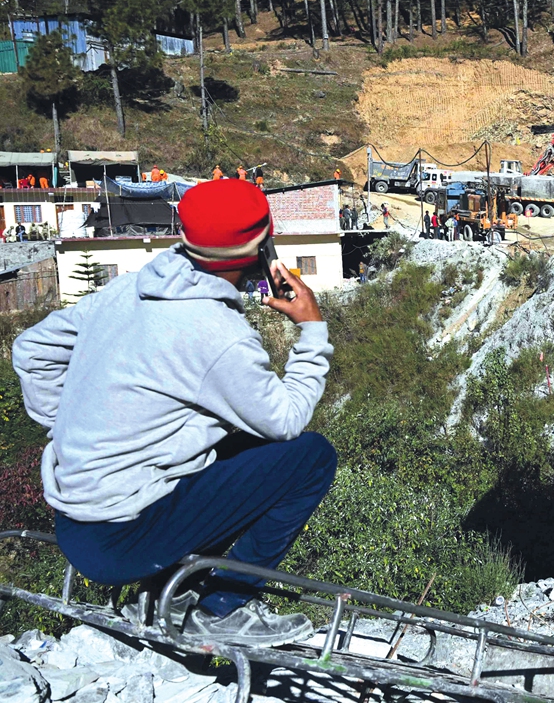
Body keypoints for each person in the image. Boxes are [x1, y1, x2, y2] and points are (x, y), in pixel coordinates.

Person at [12, 179, 337, 648]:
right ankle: (223, 608)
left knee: (243, 438)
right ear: (262, 246)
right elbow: (286, 420)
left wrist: (68, 430)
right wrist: (312, 330)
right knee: (309, 457)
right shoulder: (217, 333)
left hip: (74, 520)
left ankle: (168, 589)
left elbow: (32, 349)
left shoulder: (129, 289)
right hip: (123, 539)